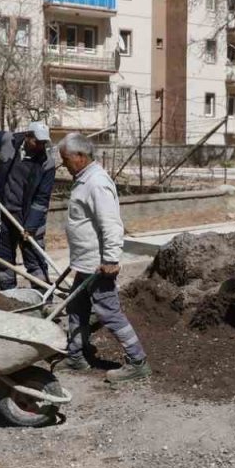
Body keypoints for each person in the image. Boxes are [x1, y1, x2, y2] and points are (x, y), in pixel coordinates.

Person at [56, 132, 151, 384]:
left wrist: (110, 259)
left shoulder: (97, 183)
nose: (63, 164)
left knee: (109, 311)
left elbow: (111, 224)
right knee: (76, 307)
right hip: (85, 262)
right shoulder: (84, 179)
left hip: (98, 265)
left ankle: (137, 361)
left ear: (80, 156)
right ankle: (76, 356)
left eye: (65, 159)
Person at [0, 121, 56, 286]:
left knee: (36, 260)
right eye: (37, 141)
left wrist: (31, 226)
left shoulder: (47, 163)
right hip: (3, 213)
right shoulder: (8, 141)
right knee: (3, 260)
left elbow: (41, 199)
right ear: (27, 136)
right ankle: (9, 294)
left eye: (43, 143)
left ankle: (43, 293)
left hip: (29, 218)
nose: (40, 146)